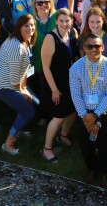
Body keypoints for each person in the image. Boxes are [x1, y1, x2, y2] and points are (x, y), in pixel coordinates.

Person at [69, 32, 107, 188]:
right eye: (89, 46)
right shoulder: (76, 68)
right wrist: (86, 116)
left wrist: (96, 115)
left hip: (102, 112)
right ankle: (92, 169)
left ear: (103, 47)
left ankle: (106, 173)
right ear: (84, 48)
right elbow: (75, 93)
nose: (93, 49)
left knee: (104, 144)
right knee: (85, 144)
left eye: (97, 46)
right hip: (83, 112)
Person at [0, 15, 37, 155]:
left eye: (32, 25)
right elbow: (14, 79)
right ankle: (8, 144)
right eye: (26, 25)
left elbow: (24, 71)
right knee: (28, 111)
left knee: (35, 102)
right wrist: (24, 91)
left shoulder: (25, 41)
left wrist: (24, 89)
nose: (30, 28)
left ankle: (18, 129)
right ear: (19, 27)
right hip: (3, 86)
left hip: (14, 82)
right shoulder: (16, 47)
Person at [39, 8, 80, 162]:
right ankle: (47, 149)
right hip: (55, 83)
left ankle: (63, 136)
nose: (64, 23)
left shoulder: (73, 33)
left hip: (71, 82)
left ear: (71, 21)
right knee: (59, 116)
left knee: (74, 110)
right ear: (56, 21)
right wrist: (54, 90)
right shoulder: (50, 38)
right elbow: (45, 67)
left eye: (67, 20)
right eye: (61, 20)